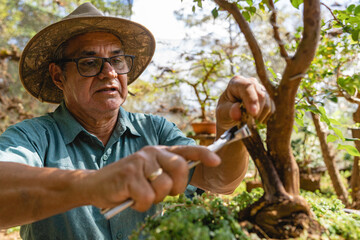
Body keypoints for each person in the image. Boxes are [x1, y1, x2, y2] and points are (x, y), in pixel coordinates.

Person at [0, 2, 273, 239]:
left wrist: (229, 125)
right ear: (59, 76)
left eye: (117, 60)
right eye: (89, 62)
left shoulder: (154, 130)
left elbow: (219, 180)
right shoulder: (33, 138)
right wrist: (91, 184)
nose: (109, 73)